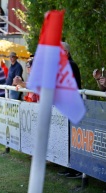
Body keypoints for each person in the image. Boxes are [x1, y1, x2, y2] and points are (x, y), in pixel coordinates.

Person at [57, 42, 83, 179]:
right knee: (67, 138)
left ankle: (77, 169)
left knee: (74, 139)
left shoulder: (71, 65)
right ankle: (69, 167)